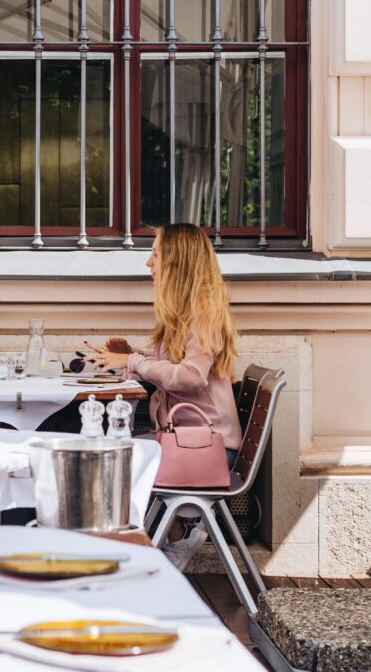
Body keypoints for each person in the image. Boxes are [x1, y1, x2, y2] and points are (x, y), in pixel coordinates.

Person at [85, 223, 240, 570]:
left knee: (111, 460)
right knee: (110, 455)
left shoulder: (203, 314)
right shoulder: (187, 313)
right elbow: (174, 366)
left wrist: (135, 362)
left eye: (156, 253)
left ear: (177, 261)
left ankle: (155, 543)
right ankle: (171, 535)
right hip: (188, 443)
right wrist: (131, 354)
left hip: (205, 451)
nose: (148, 262)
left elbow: (189, 376)